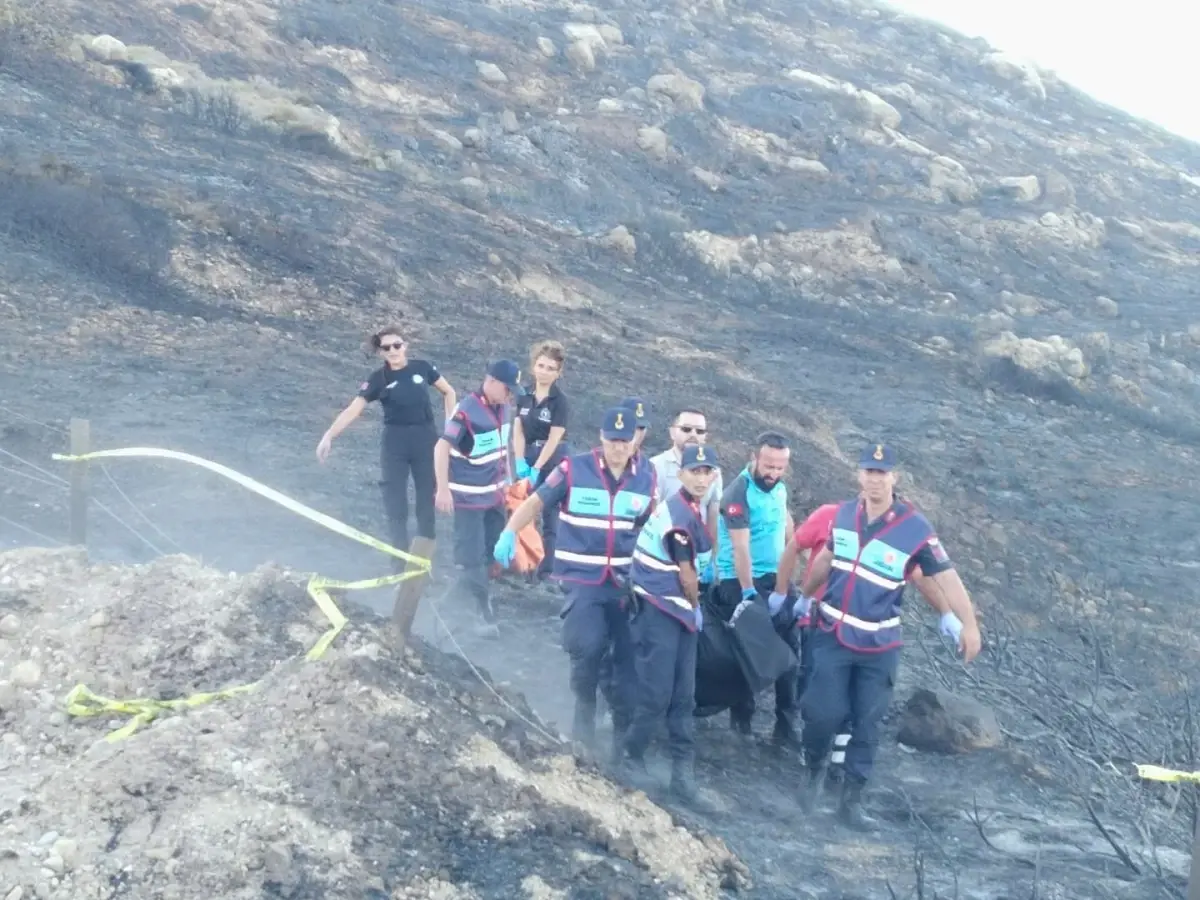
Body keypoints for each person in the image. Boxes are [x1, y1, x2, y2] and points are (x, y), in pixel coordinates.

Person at [793, 442, 982, 829]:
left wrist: (967, 623)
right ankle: (811, 778)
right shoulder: (844, 514)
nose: (874, 479)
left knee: (866, 722)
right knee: (822, 714)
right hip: (831, 632)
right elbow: (827, 559)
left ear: (894, 477)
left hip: (878, 646)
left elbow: (946, 577)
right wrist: (803, 595)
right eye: (868, 472)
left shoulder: (916, 528)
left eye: (881, 473)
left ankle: (851, 803)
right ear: (859, 474)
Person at [495, 407, 657, 758]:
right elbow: (536, 502)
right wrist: (509, 531)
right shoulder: (573, 469)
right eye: (612, 440)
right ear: (601, 438)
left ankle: (621, 747)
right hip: (583, 580)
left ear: (634, 442)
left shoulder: (648, 475)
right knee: (587, 647)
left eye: (624, 441)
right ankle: (582, 721)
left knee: (628, 667)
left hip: (625, 585)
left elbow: (650, 525)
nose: (618, 447)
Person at [622, 444, 719, 808]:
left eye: (706, 471)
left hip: (674, 612)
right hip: (661, 609)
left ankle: (681, 773)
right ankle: (630, 754)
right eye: (694, 470)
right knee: (658, 693)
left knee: (683, 695)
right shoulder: (679, 515)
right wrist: (697, 608)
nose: (700, 477)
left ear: (713, 476)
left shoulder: (687, 508)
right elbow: (688, 575)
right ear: (681, 474)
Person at [317, 327, 456, 559]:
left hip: (425, 439)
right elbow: (354, 409)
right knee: (396, 504)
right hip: (395, 443)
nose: (393, 351)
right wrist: (329, 435)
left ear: (405, 346)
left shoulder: (422, 367)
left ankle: (423, 562)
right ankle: (399, 561)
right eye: (386, 348)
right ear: (381, 352)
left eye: (397, 345)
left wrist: (451, 428)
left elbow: (448, 391)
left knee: (425, 501)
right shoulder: (378, 379)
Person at [713, 431, 800, 747]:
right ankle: (742, 721)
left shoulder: (779, 489)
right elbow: (740, 549)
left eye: (780, 468)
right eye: (768, 466)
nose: (773, 474)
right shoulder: (738, 494)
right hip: (740, 579)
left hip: (775, 578)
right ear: (754, 457)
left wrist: (790, 571)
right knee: (752, 646)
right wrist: (749, 594)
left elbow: (787, 526)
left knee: (793, 646)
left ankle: (786, 726)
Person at [433, 359, 522, 631]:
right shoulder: (466, 412)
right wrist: (443, 489)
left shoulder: (504, 408)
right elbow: (441, 448)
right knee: (471, 557)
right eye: (508, 389)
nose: (510, 396)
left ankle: (448, 604)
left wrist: (509, 479)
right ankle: (483, 613)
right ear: (492, 382)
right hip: (469, 499)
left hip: (493, 495)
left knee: (490, 555)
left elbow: (503, 445)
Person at [512, 340, 570, 579]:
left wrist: (537, 466)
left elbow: (555, 437)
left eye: (550, 368)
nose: (544, 372)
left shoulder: (560, 402)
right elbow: (518, 428)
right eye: (541, 365)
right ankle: (523, 562)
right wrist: (519, 460)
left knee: (550, 515)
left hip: (552, 458)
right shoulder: (524, 394)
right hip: (527, 455)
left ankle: (548, 570)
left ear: (558, 373)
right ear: (533, 366)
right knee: (520, 508)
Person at [649, 408, 723, 588]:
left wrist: (712, 559)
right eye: (686, 429)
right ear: (672, 432)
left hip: (698, 556)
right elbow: (652, 515)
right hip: (664, 557)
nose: (693, 435)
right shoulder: (655, 467)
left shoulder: (715, 472)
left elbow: (713, 516)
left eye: (699, 431)